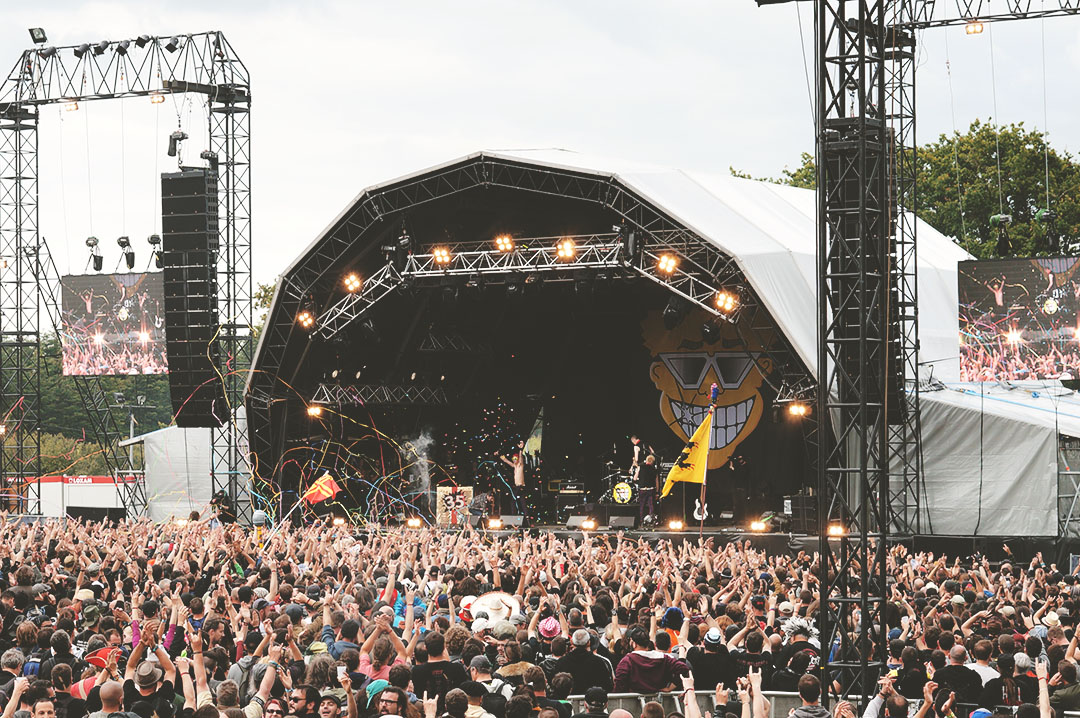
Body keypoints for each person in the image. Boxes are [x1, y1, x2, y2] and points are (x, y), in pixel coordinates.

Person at [636, 456, 659, 526]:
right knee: (651, 506)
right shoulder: (654, 470)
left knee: (642, 506)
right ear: (652, 462)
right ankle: (651, 521)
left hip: (642, 489)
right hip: (651, 490)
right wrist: (657, 492)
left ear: (646, 461)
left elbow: (635, 477)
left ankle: (642, 521)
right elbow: (657, 482)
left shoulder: (640, 467)